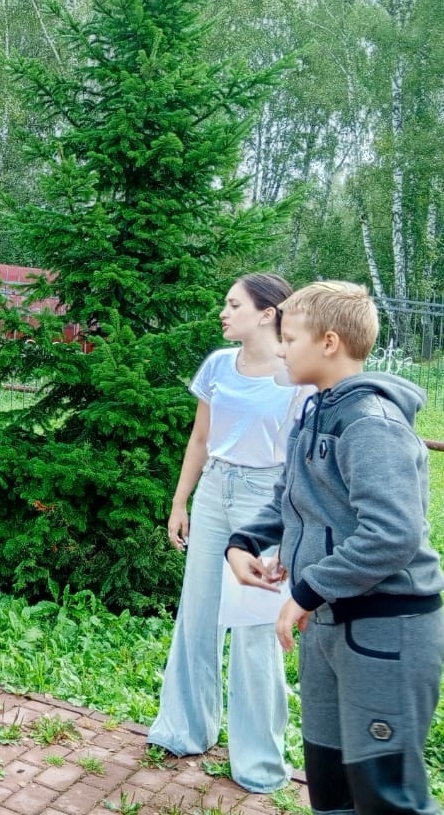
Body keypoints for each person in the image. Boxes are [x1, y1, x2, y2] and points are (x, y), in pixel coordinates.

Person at [227, 281, 444, 815]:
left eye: (290, 339)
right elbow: (292, 499)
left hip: (385, 630)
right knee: (332, 791)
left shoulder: (371, 423)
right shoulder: (316, 413)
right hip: (328, 625)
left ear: (329, 342)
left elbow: (393, 534)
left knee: (386, 798)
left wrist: (306, 592)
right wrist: (243, 542)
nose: (281, 350)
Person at [147, 273, 305, 794]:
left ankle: (259, 762)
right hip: (215, 488)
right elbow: (199, 438)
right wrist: (180, 501)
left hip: (265, 498)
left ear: (267, 313)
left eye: (234, 304)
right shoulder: (217, 364)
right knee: (198, 613)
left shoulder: (295, 375)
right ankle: (184, 729)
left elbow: (300, 460)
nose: (224, 312)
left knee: (255, 626)